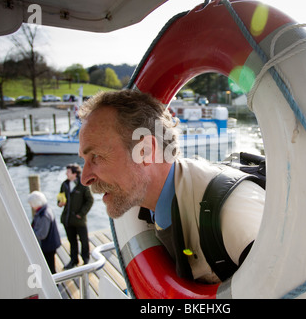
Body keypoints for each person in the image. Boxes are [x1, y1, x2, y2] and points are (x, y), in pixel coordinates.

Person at [78, 90, 265, 283]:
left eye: (97, 157)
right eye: (84, 160)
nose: (85, 178)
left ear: (145, 151)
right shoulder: (142, 209)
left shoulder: (233, 213)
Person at [58, 163, 94, 269]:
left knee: (84, 240)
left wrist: (81, 214)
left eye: (68, 171)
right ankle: (73, 260)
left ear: (74, 174)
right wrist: (59, 203)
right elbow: (60, 197)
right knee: (72, 241)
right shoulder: (64, 184)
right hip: (67, 219)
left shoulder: (83, 185)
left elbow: (90, 200)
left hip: (79, 220)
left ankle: (86, 259)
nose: (66, 173)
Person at [28, 191, 61, 274]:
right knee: (50, 265)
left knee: (50, 267)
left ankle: (54, 284)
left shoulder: (44, 215)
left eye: (31, 204)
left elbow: (42, 234)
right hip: (50, 244)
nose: (31, 206)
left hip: (48, 246)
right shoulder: (46, 209)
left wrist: (31, 234)